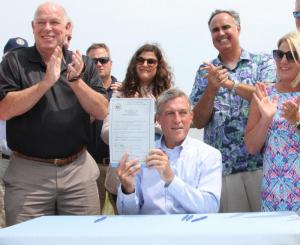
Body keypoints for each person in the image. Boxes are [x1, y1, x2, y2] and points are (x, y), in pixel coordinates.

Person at [0, 2, 108, 226]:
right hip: (28, 176)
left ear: (68, 28)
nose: (47, 28)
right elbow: (4, 109)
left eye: (54, 22)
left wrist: (76, 81)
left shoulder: (84, 65)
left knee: (83, 239)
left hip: (77, 172)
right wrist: (47, 81)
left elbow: (101, 110)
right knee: (24, 241)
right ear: (33, 27)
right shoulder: (14, 62)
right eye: (41, 23)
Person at [189, 9, 276, 213]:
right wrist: (211, 89)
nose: (221, 33)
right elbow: (198, 121)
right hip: (223, 170)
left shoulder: (262, 62)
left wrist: (230, 84)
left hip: (260, 167)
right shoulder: (205, 71)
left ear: (238, 28)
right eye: (215, 30)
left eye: (225, 27)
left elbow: (268, 97)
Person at [116, 88, 222, 214]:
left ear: (191, 116)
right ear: (158, 119)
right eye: (170, 113)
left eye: (182, 113)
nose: (177, 120)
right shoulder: (141, 154)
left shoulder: (209, 155)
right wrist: (128, 190)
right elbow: (126, 214)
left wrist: (171, 179)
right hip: (150, 229)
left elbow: (209, 208)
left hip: (190, 230)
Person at [101, 43, 173, 211]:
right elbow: (105, 135)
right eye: (140, 60)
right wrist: (127, 116)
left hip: (156, 177)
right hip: (124, 175)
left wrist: (146, 121)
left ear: (159, 65)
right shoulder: (120, 94)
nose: (145, 64)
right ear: (134, 63)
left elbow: (175, 132)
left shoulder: (169, 96)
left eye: (151, 61)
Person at [245, 31, 300, 212]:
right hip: (274, 194)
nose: (283, 61)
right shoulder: (263, 94)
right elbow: (252, 148)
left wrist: (296, 121)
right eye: (279, 55)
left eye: (291, 56)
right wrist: (266, 120)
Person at [86, 43, 121, 214]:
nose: (99, 64)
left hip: (119, 166)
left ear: (111, 63)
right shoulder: (81, 92)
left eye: (103, 60)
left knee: (124, 218)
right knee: (91, 220)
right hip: (92, 166)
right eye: (93, 61)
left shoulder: (123, 89)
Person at [0, 37, 28, 228]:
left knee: (24, 217)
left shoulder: (35, 86)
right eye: (11, 56)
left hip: (29, 163)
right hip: (2, 160)